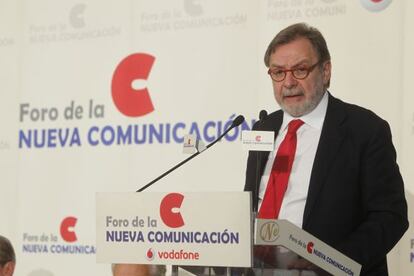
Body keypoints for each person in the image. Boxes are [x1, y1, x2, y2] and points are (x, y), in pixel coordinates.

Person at [244, 22, 408, 275]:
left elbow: (390, 216)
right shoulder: (264, 127)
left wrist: (329, 261)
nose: (288, 82)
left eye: (300, 70)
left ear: (326, 71)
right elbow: (251, 206)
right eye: (278, 72)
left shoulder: (364, 129)